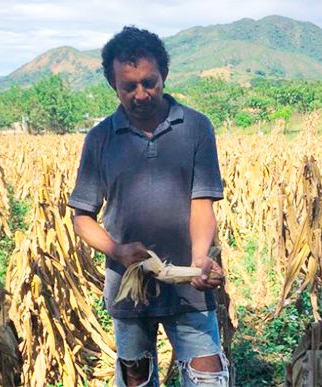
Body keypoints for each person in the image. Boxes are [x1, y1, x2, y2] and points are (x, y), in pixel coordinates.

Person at [68, 26, 229, 386]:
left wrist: (201, 259)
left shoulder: (196, 128)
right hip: (129, 288)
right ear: (114, 86)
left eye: (149, 82)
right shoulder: (100, 139)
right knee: (136, 379)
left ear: (164, 75)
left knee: (208, 377)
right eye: (129, 86)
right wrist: (118, 250)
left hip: (189, 284)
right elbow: (82, 219)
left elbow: (202, 204)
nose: (141, 94)